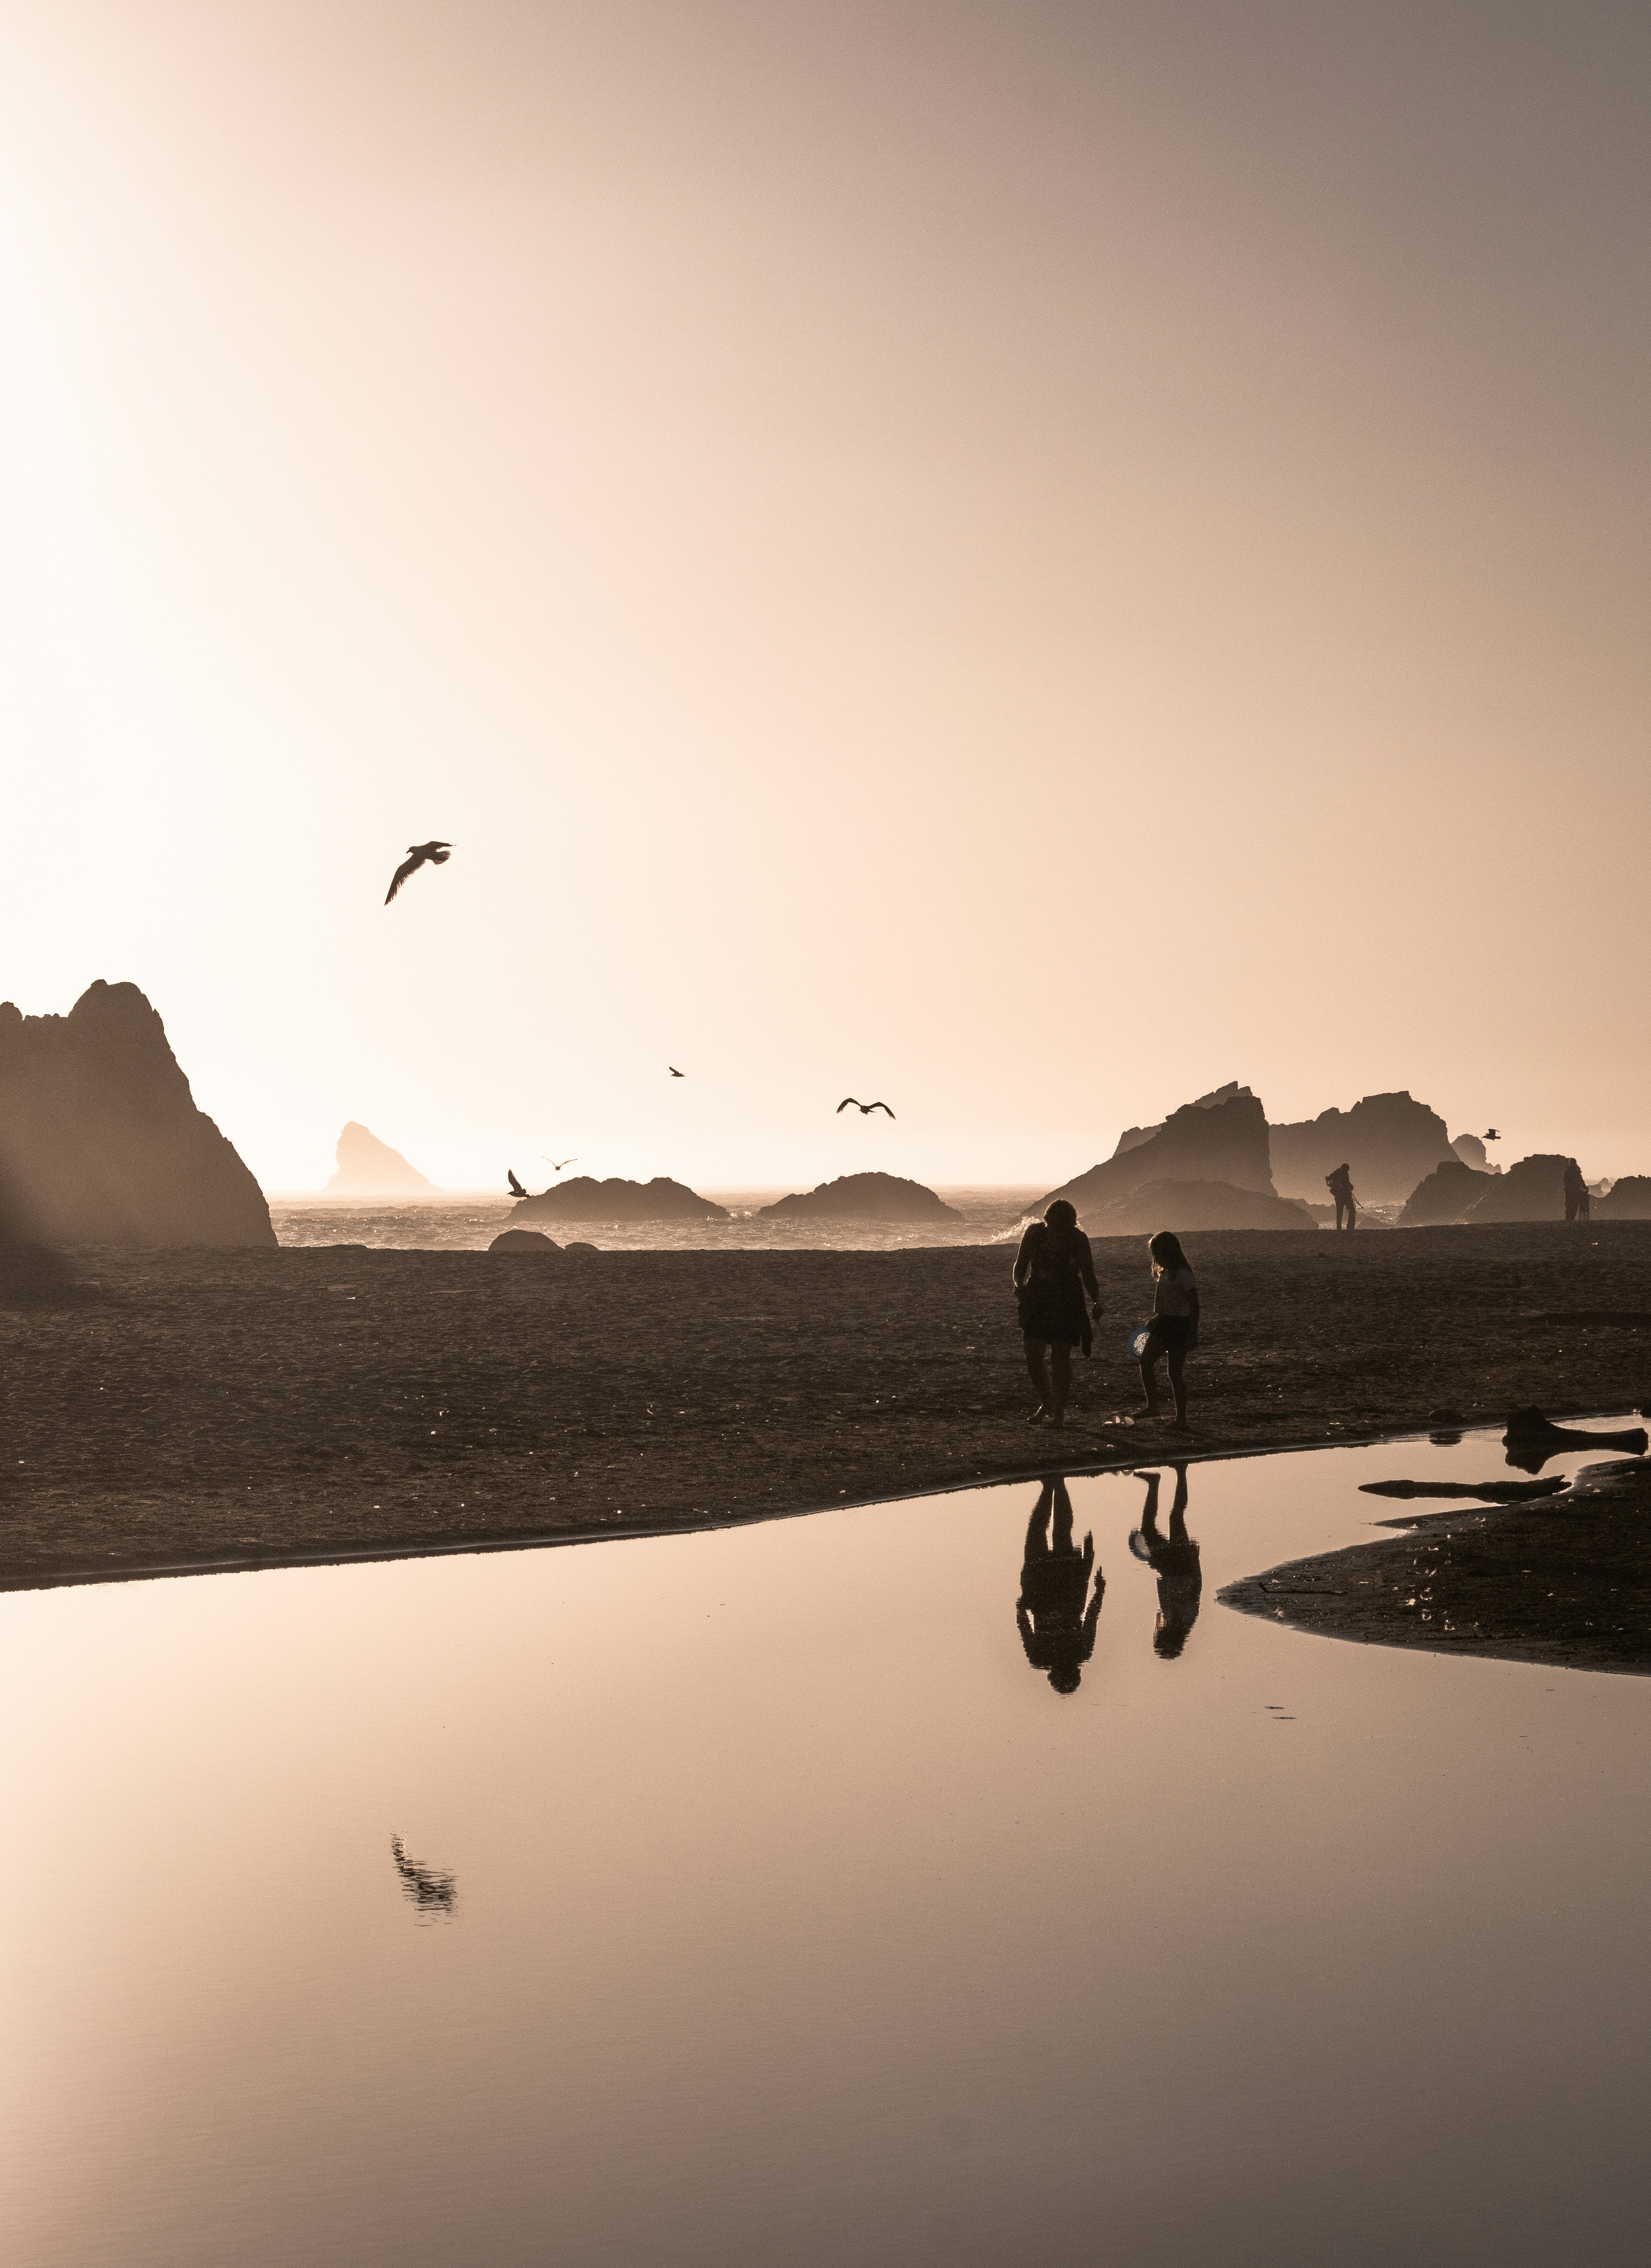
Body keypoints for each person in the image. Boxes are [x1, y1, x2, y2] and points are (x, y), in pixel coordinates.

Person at [1012, 1199, 1103, 1427]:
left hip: (1068, 1302)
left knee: (1060, 1358)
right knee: (1033, 1357)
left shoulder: (1078, 1238)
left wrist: (1097, 1300)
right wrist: (1018, 1285)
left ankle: (1059, 1415)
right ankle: (1048, 1403)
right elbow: (1020, 1264)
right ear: (1048, 1221)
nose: (1062, 1231)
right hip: (1037, 1299)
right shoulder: (1033, 1233)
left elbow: (1088, 1273)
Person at [1015, 1475, 1104, 1694]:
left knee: (1061, 1532)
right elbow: (1024, 1626)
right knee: (1038, 1531)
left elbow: (1092, 1618)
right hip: (1040, 1590)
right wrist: (1021, 1608)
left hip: (1069, 1586)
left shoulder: (1082, 1653)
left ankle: (1058, 1483)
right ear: (1054, 1675)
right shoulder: (1039, 1658)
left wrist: (1099, 1591)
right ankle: (1050, 1486)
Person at [1127, 1465, 1202, 1659]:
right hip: (1182, 1562)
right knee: (1176, 1516)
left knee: (1149, 1528)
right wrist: (1195, 1559)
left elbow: (1165, 1588)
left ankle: (1154, 1484)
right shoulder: (1188, 1618)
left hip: (1168, 1566)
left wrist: (1157, 1567)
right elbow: (1196, 1586)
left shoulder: (1171, 1618)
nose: (1157, 1633)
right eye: (1160, 1637)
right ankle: (1181, 1471)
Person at [1138, 1230, 1198, 1427]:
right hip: (1165, 1323)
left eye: (1157, 1253)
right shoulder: (1165, 1273)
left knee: (1174, 1373)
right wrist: (1157, 1318)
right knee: (1146, 1361)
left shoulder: (1183, 1274)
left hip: (1179, 1325)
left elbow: (1193, 1305)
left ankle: (1181, 1418)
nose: (1155, 1257)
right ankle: (1153, 1406)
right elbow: (1169, 1303)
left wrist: (1193, 1333)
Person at [1326, 1161, 1356, 1232]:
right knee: (1352, 1210)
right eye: (1348, 1170)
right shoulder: (1342, 1175)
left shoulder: (1336, 1174)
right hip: (1345, 1196)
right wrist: (1350, 1187)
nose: (1348, 1172)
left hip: (1339, 1197)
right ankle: (1350, 1228)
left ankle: (1339, 1229)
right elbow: (1346, 1184)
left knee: (1340, 1213)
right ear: (1346, 1169)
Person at [1563, 1159, 1589, 1223]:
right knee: (1571, 1207)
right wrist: (1585, 1188)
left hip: (1571, 1193)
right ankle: (1569, 1221)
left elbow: (1581, 1182)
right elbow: (1581, 1182)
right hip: (1571, 1193)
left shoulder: (1567, 1172)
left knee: (1572, 1207)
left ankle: (1569, 1221)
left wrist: (1585, 1187)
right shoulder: (1570, 1172)